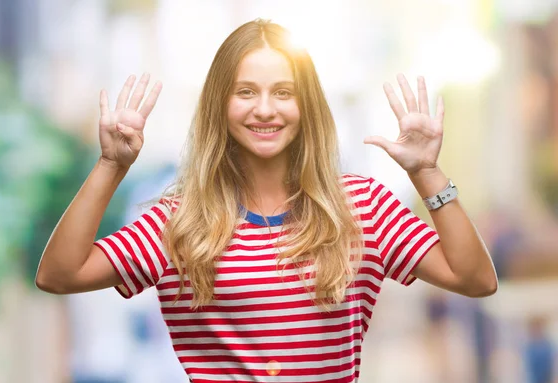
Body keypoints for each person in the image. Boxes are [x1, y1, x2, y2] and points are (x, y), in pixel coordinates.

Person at [36, 19, 498, 382]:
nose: (264, 109)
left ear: (307, 106)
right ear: (221, 104)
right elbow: (59, 275)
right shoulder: (178, 222)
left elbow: (475, 279)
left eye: (283, 92)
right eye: (245, 92)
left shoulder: (363, 206)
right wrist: (111, 165)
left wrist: (426, 173)